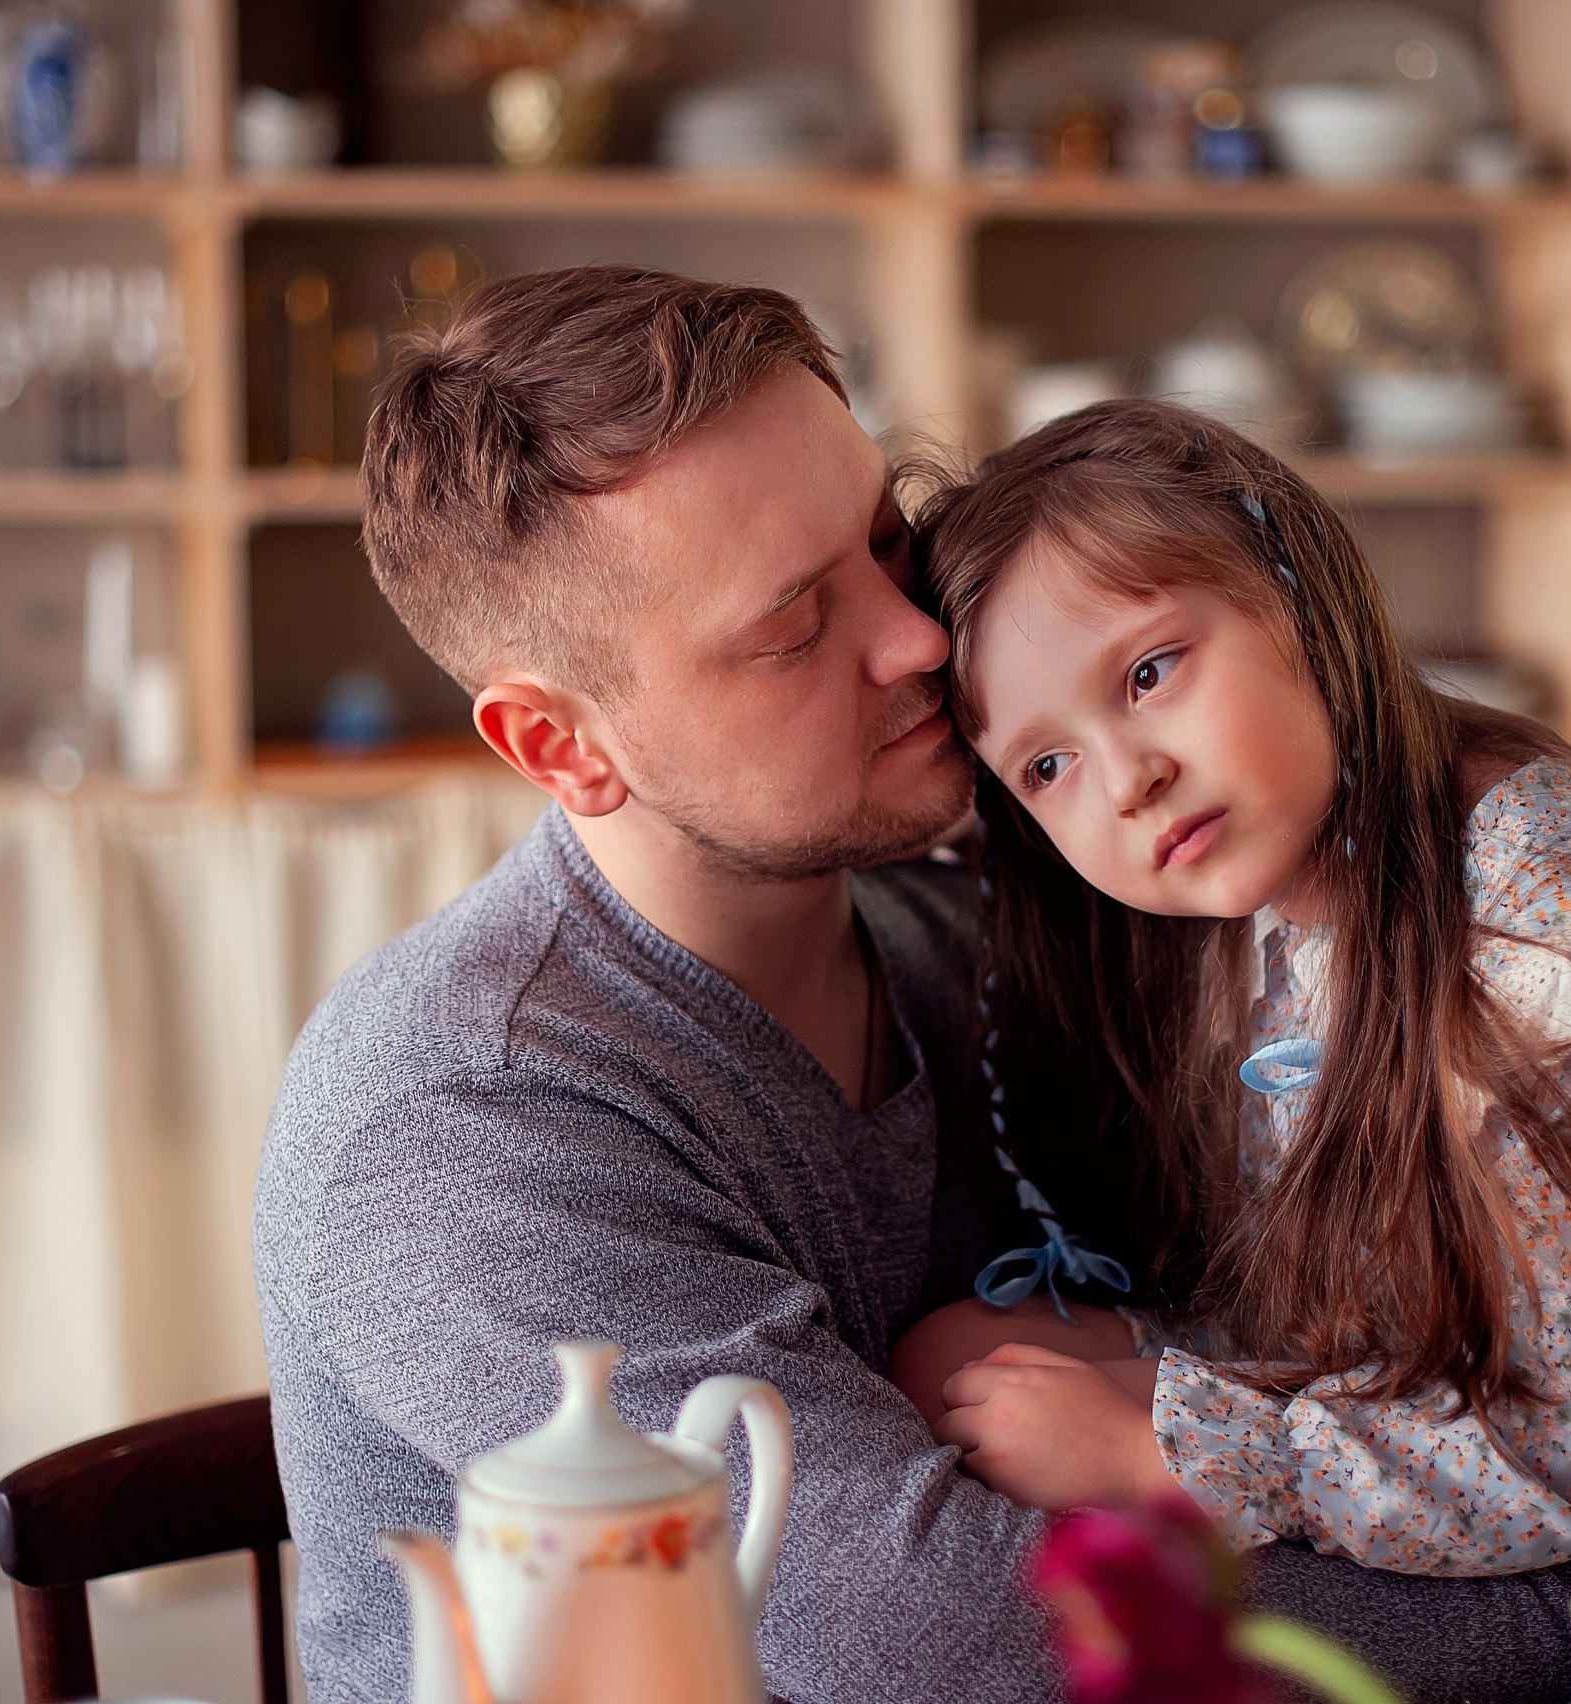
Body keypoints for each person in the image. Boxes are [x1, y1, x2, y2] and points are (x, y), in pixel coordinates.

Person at [892, 401, 1571, 1589]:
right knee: (956, 1366)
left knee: (1056, 1437)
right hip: (1407, 1358)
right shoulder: (1260, 884)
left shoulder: (1569, 952)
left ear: (1297, 594)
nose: (1126, 781)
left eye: (1150, 672)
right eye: (1046, 765)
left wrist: (1165, 1456)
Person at [251, 266, 1054, 1704]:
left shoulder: (975, 920)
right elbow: (953, 1642)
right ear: (561, 748)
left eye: (888, 540)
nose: (918, 637)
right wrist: (1512, 1576)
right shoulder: (451, 1121)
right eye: (794, 626)